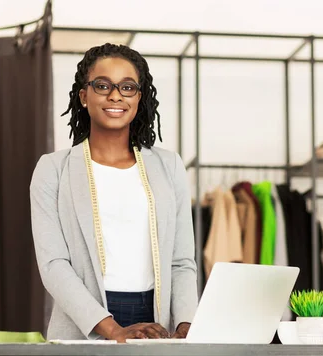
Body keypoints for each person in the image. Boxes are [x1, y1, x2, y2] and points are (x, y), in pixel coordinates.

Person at [30, 43, 198, 343]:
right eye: (103, 85)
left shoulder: (169, 166)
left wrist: (186, 324)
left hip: (157, 322)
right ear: (84, 96)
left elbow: (181, 261)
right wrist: (111, 329)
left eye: (128, 87)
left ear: (139, 97)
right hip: (85, 322)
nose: (115, 95)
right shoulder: (52, 170)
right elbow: (54, 265)